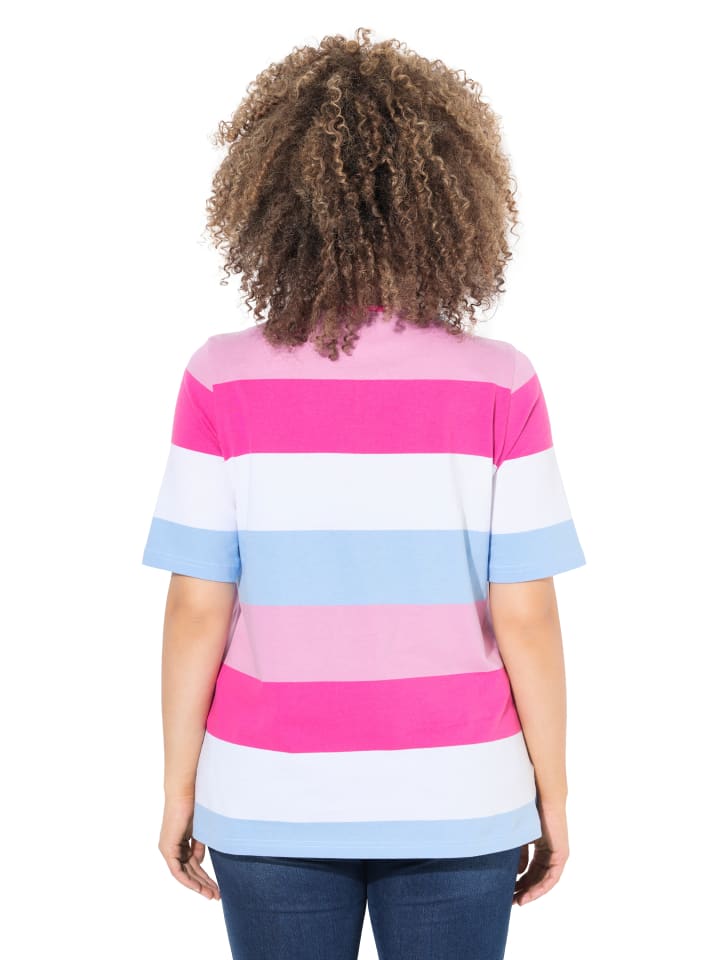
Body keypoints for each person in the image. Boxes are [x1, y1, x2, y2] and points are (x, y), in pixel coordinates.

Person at [141, 26, 587, 960]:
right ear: (454, 199)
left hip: (268, 794)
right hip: (461, 793)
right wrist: (551, 791)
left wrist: (181, 786)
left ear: (274, 199)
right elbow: (527, 614)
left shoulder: (222, 377)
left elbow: (196, 606)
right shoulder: (499, 382)